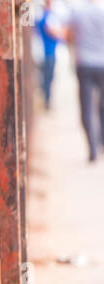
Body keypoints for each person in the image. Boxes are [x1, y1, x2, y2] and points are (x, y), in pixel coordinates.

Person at [62, 0, 104, 162]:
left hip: (85, 63)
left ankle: (92, 147)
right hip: (102, 64)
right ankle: (101, 142)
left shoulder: (77, 12)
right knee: (102, 106)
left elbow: (67, 34)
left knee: (86, 107)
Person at [36, 0, 60, 110]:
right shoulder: (48, 17)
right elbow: (52, 31)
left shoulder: (45, 16)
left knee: (47, 77)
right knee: (48, 77)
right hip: (47, 52)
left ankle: (47, 98)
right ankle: (47, 99)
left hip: (48, 51)